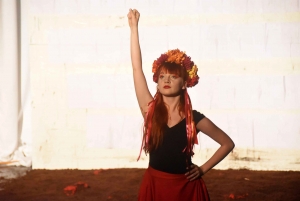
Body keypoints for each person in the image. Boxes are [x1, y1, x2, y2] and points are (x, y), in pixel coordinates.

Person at [127, 8, 235, 201]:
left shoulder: (195, 118)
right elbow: (136, 68)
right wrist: (134, 28)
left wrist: (202, 169)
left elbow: (227, 143)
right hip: (155, 185)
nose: (166, 80)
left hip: (186, 188)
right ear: (157, 84)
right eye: (162, 76)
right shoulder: (149, 110)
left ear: (185, 83)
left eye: (173, 76)